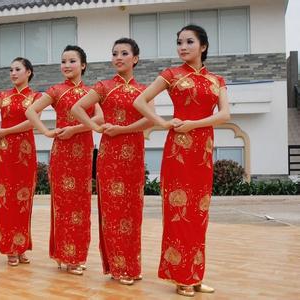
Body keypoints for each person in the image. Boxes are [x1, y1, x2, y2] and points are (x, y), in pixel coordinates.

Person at [133, 24, 230, 297]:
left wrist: (193, 124)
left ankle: (195, 274)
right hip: (178, 150)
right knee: (180, 214)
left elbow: (224, 116)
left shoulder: (216, 80)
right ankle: (181, 276)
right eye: (179, 42)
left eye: (189, 42)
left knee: (199, 215)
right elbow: (141, 102)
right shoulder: (171, 75)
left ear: (203, 46)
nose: (183, 47)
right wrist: (164, 123)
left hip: (203, 152)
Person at [71, 38, 153, 285]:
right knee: (113, 212)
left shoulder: (144, 90)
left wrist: (122, 129)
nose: (118, 57)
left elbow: (150, 120)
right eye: (115, 53)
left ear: (135, 59)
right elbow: (77, 108)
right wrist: (96, 127)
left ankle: (132, 265)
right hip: (110, 156)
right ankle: (118, 268)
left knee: (133, 212)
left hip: (134, 155)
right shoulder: (104, 87)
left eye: (124, 53)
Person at [26, 45, 102, 275]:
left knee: (81, 205)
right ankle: (65, 255)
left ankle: (76, 254)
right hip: (62, 153)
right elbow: (31, 112)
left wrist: (75, 129)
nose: (67, 66)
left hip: (83, 151)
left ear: (83, 65)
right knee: (62, 206)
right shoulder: (56, 90)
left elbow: (100, 116)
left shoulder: (90, 91)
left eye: (72, 61)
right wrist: (48, 132)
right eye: (64, 61)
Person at [0, 57, 40, 266]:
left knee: (24, 200)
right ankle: (9, 249)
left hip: (25, 153)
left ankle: (21, 246)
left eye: (18, 69)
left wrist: (5, 131)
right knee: (6, 201)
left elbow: (31, 122)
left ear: (28, 72)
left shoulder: (36, 96)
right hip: (5, 154)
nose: (13, 73)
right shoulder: (2, 96)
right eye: (11, 69)